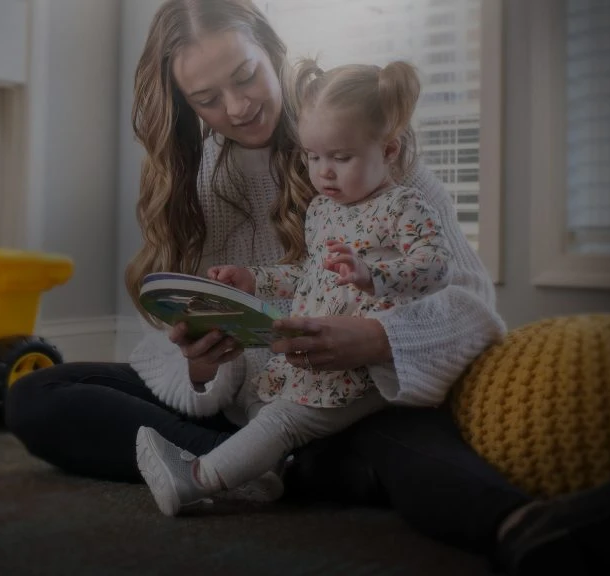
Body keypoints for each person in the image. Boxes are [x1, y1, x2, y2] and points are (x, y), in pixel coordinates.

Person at [4, 1, 610, 575]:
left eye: (246, 76)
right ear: (183, 104)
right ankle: (266, 466)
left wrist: (377, 338)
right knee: (39, 395)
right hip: (248, 408)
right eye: (206, 99)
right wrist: (198, 365)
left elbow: (471, 304)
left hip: (348, 402)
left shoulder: (364, 144)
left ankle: (528, 532)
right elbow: (187, 343)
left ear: (272, 52)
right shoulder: (195, 188)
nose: (236, 107)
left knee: (404, 445)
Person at [135, 58, 458, 517]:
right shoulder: (325, 209)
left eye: (340, 158)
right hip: (313, 360)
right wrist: (255, 279)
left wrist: (374, 275)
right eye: (313, 156)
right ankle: (260, 475)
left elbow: (436, 266)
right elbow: (309, 273)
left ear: (388, 151)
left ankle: (197, 479)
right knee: (258, 400)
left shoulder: (403, 206)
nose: (323, 172)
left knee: (283, 421)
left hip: (360, 372)